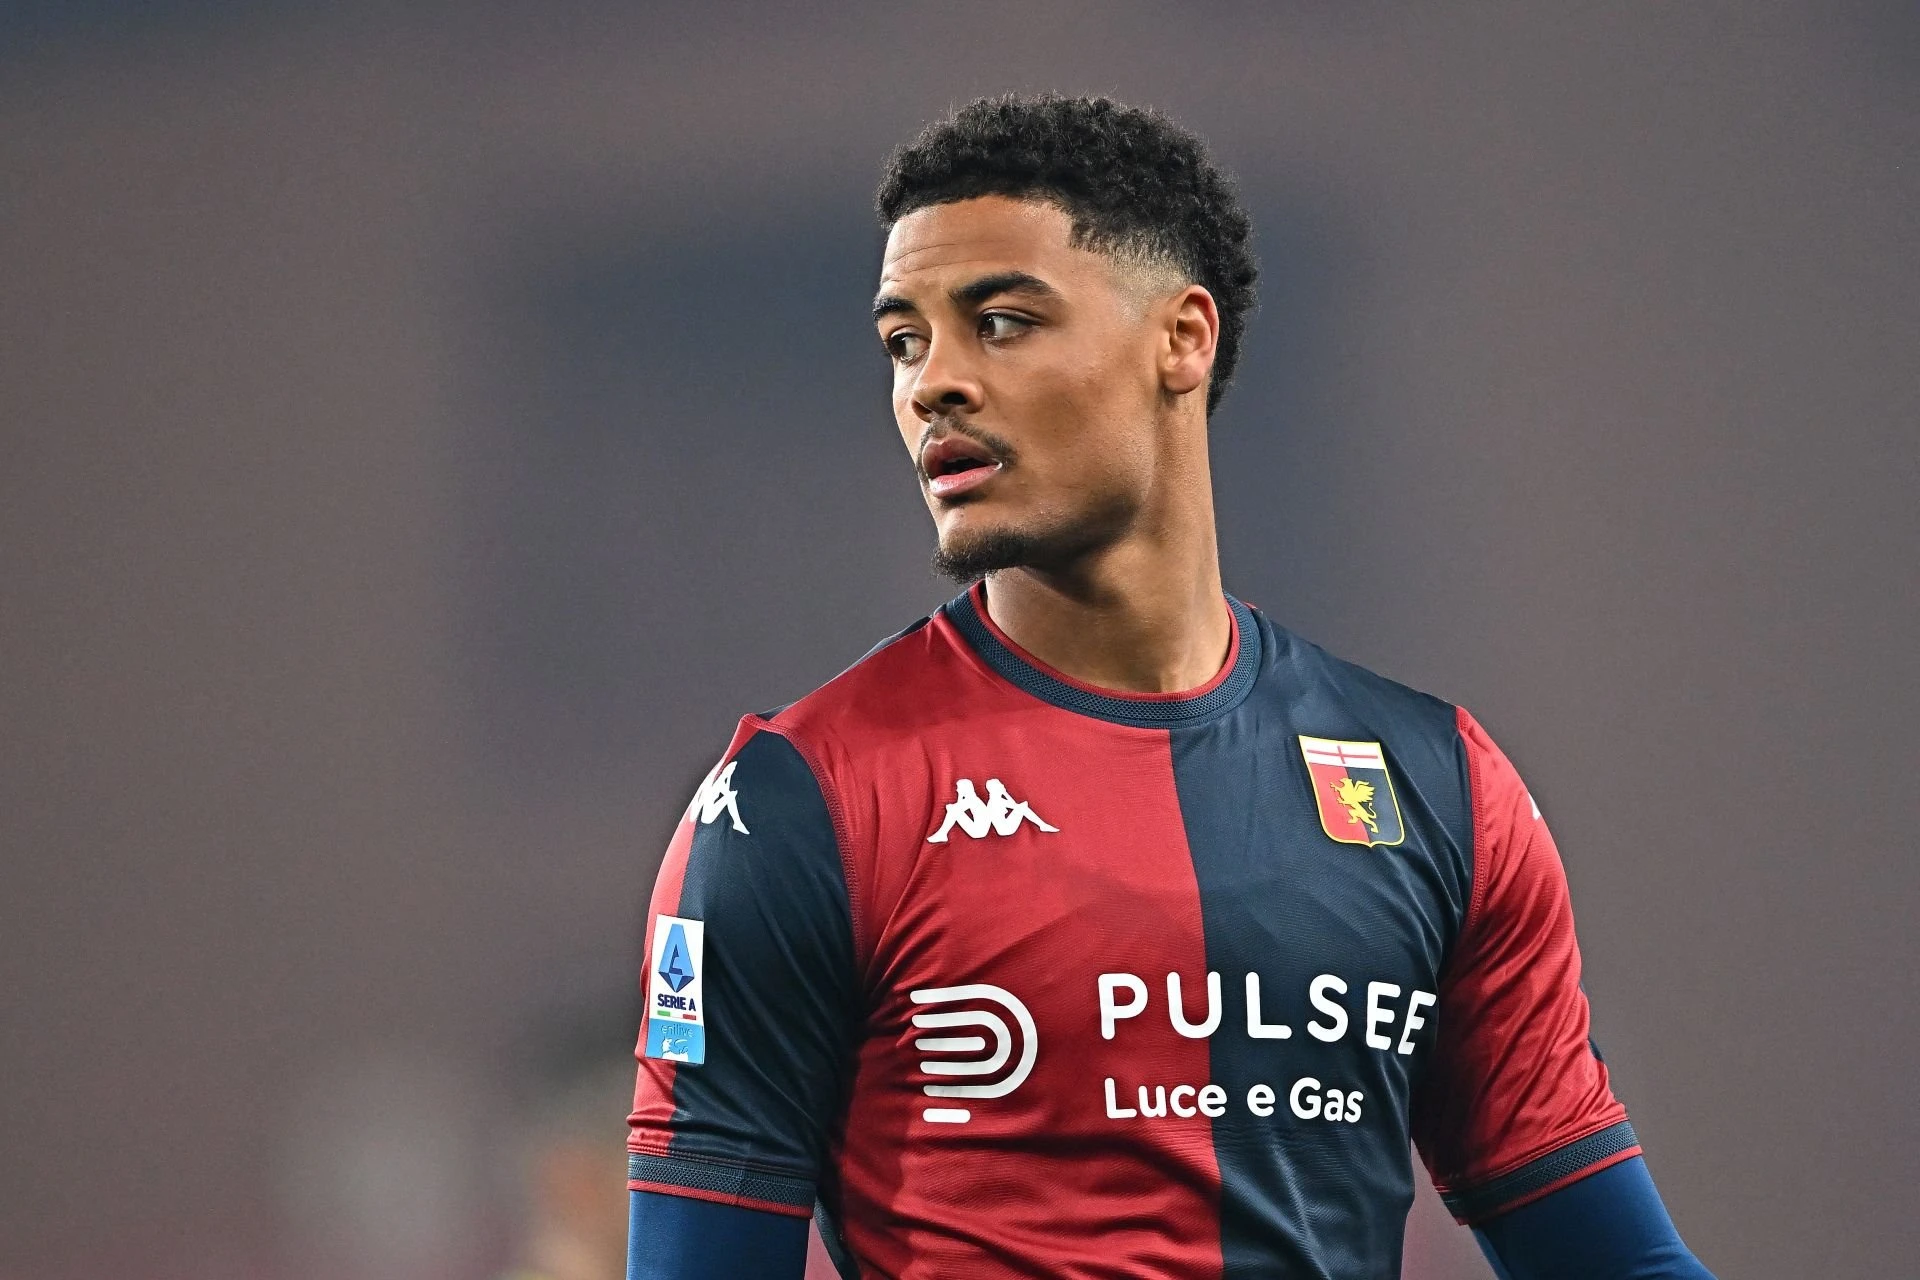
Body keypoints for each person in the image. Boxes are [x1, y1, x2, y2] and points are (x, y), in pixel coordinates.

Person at [624, 94, 1714, 1279]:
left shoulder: (1441, 785)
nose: (934, 382)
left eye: (999, 322)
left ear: (1182, 339)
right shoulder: (798, 803)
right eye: (904, 342)